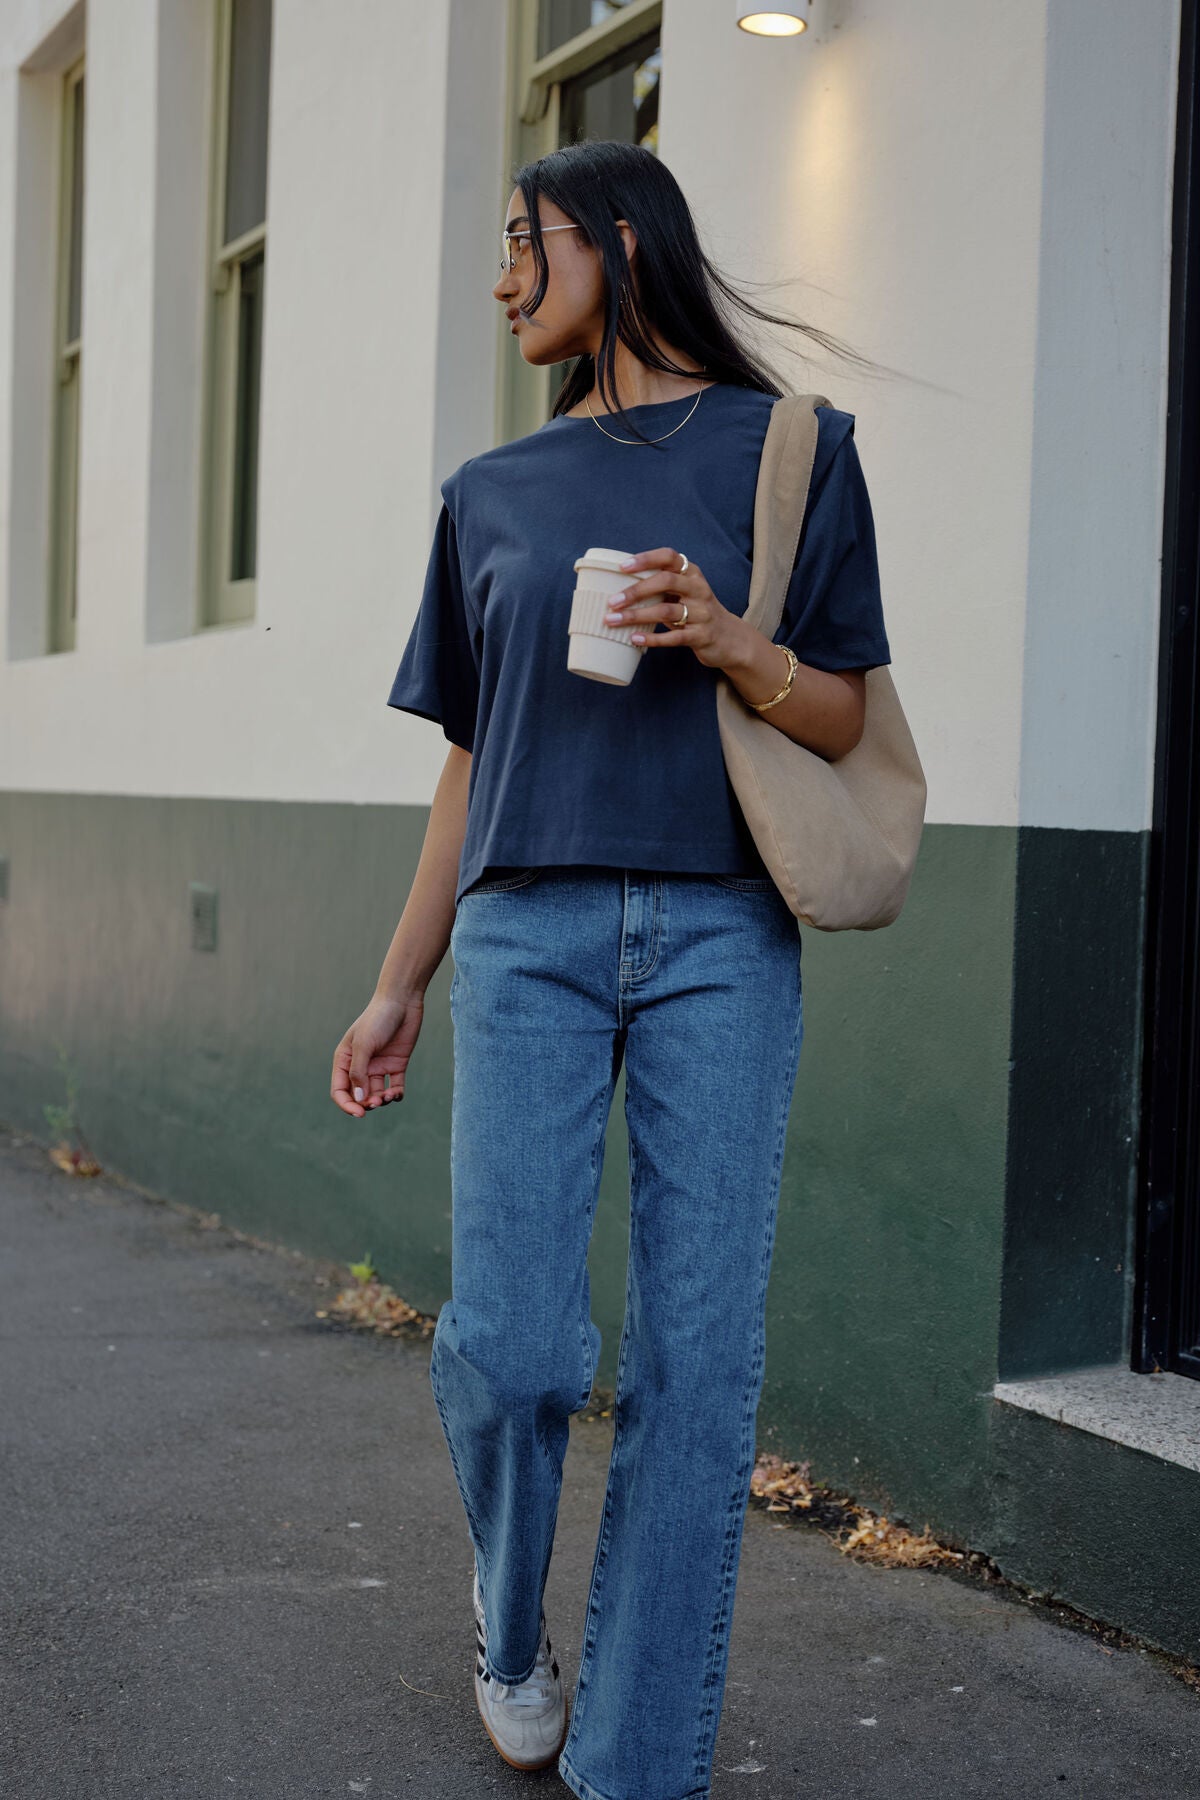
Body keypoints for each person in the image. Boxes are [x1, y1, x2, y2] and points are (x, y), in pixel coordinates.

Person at [330, 139, 891, 1800]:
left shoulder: (793, 451)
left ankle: (634, 1768)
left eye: (523, 241)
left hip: (726, 930)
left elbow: (846, 712)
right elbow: (465, 763)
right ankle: (512, 1623)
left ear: (622, 244)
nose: (504, 277)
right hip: (525, 937)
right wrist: (397, 980)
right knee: (512, 1347)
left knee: (696, 1375)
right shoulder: (490, 493)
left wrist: (727, 641)